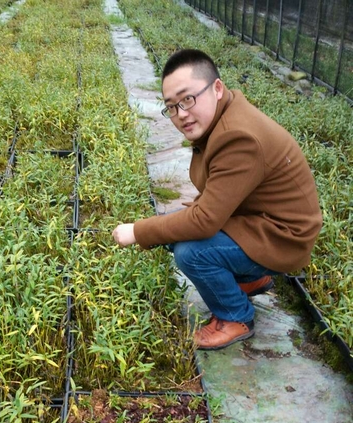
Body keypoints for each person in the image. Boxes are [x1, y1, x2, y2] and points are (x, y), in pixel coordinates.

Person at [112, 49, 322, 350]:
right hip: (259, 221)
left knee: (191, 252)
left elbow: (205, 221)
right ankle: (248, 280)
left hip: (283, 238)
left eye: (188, 99)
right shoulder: (224, 116)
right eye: (171, 107)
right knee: (172, 229)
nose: (181, 114)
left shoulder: (238, 137)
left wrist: (137, 231)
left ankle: (235, 316)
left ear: (217, 88)